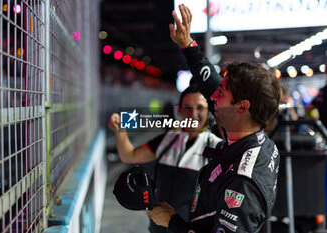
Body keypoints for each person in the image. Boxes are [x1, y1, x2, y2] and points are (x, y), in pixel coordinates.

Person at [147, 4, 281, 233]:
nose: (213, 96)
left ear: (242, 107)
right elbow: (210, 83)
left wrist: (172, 221)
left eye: (222, 92)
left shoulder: (243, 182)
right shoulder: (249, 132)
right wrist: (187, 45)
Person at [108, 83, 223, 233]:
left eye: (200, 108)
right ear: (180, 110)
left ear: (209, 112)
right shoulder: (168, 139)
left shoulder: (217, 148)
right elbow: (129, 155)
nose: (193, 114)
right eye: (187, 107)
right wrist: (119, 130)